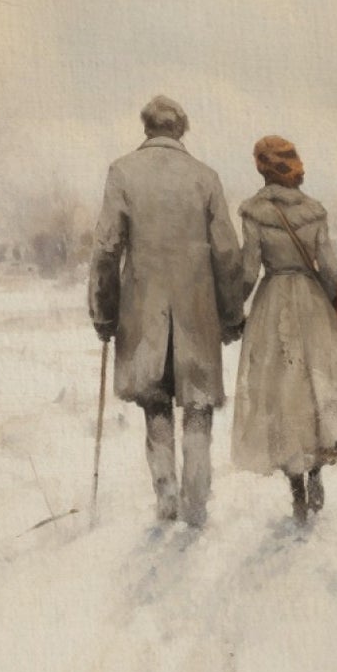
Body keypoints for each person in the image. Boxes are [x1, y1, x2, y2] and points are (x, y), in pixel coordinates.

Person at [88, 95, 246, 528]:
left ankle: (167, 497)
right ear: (181, 130)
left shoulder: (122, 172)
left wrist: (103, 312)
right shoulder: (205, 177)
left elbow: (105, 249)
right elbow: (228, 254)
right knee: (197, 406)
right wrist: (232, 315)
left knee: (155, 405)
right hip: (198, 313)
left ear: (146, 128)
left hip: (142, 314)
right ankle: (197, 502)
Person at [231, 134, 337, 522]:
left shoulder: (253, 212)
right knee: (314, 389)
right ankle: (315, 474)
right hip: (311, 303)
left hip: (273, 300)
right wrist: (329, 306)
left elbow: (247, 270)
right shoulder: (314, 211)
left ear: (260, 166)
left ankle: (295, 487)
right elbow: (330, 268)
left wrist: (233, 307)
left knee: (283, 393)